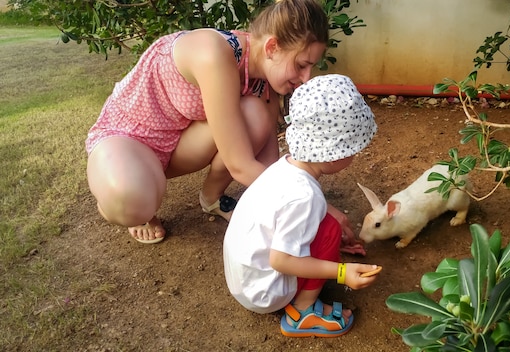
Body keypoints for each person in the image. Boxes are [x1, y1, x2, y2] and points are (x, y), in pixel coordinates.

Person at [85, 0, 342, 244]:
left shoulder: (263, 79)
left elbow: (268, 167)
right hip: (129, 137)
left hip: (176, 141)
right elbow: (241, 166)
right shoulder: (214, 53)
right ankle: (122, 198)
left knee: (256, 112)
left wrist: (301, 224)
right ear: (272, 47)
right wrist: (318, 208)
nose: (306, 78)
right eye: (301, 65)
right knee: (132, 202)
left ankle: (211, 198)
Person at [223, 74, 380, 338]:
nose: (354, 154)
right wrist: (341, 271)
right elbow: (281, 260)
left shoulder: (284, 167)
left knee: (325, 227)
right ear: (332, 155)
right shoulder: (305, 196)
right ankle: (303, 311)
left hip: (245, 278)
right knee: (328, 228)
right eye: (352, 148)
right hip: (264, 292)